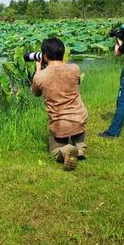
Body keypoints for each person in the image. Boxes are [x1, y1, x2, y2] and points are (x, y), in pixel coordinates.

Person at [31, 37, 88, 171]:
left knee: (55, 150)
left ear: (44, 56)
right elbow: (75, 83)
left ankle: (65, 150)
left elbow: (36, 92)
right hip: (80, 118)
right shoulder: (75, 68)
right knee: (78, 135)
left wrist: (38, 71)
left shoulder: (40, 76)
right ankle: (80, 148)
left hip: (60, 123)